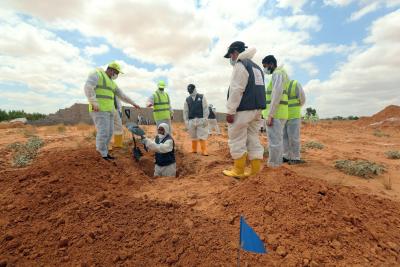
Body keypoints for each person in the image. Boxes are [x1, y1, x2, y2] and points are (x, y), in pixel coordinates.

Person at [222, 41, 266, 178]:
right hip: (257, 110)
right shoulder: (257, 68)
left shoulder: (240, 65)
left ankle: (238, 171)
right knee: (253, 138)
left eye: (230, 55)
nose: (231, 59)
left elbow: (237, 90)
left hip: (243, 110)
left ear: (235, 52)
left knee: (237, 139)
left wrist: (230, 111)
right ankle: (255, 171)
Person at [84, 61, 140, 160]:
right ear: (111, 70)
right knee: (103, 132)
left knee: (109, 132)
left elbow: (122, 95)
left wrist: (133, 103)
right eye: (117, 72)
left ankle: (104, 153)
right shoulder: (97, 74)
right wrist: (94, 102)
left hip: (109, 110)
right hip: (99, 109)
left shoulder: (112, 83)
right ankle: (101, 155)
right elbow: (88, 87)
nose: (117, 75)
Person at [261, 55, 289, 168]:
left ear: (271, 64)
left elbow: (276, 94)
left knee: (274, 142)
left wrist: (270, 115)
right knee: (278, 140)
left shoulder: (278, 73)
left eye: (265, 66)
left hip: (276, 114)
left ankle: (274, 165)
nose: (265, 69)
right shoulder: (282, 73)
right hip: (280, 113)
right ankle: (277, 163)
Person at [283, 80, 306, 164]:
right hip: (293, 114)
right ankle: (295, 158)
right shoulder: (294, 84)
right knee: (293, 137)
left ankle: (285, 156)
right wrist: (298, 106)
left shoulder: (278, 85)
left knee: (284, 137)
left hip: (282, 115)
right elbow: (302, 98)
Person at [183, 84, 209, 156]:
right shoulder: (187, 99)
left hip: (201, 119)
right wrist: (186, 121)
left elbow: (205, 108)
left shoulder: (201, 97)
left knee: (202, 134)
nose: (190, 92)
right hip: (191, 120)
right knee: (193, 135)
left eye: (191, 90)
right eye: (189, 91)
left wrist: (205, 118)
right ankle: (194, 150)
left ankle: (204, 150)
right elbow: (185, 111)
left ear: (194, 89)